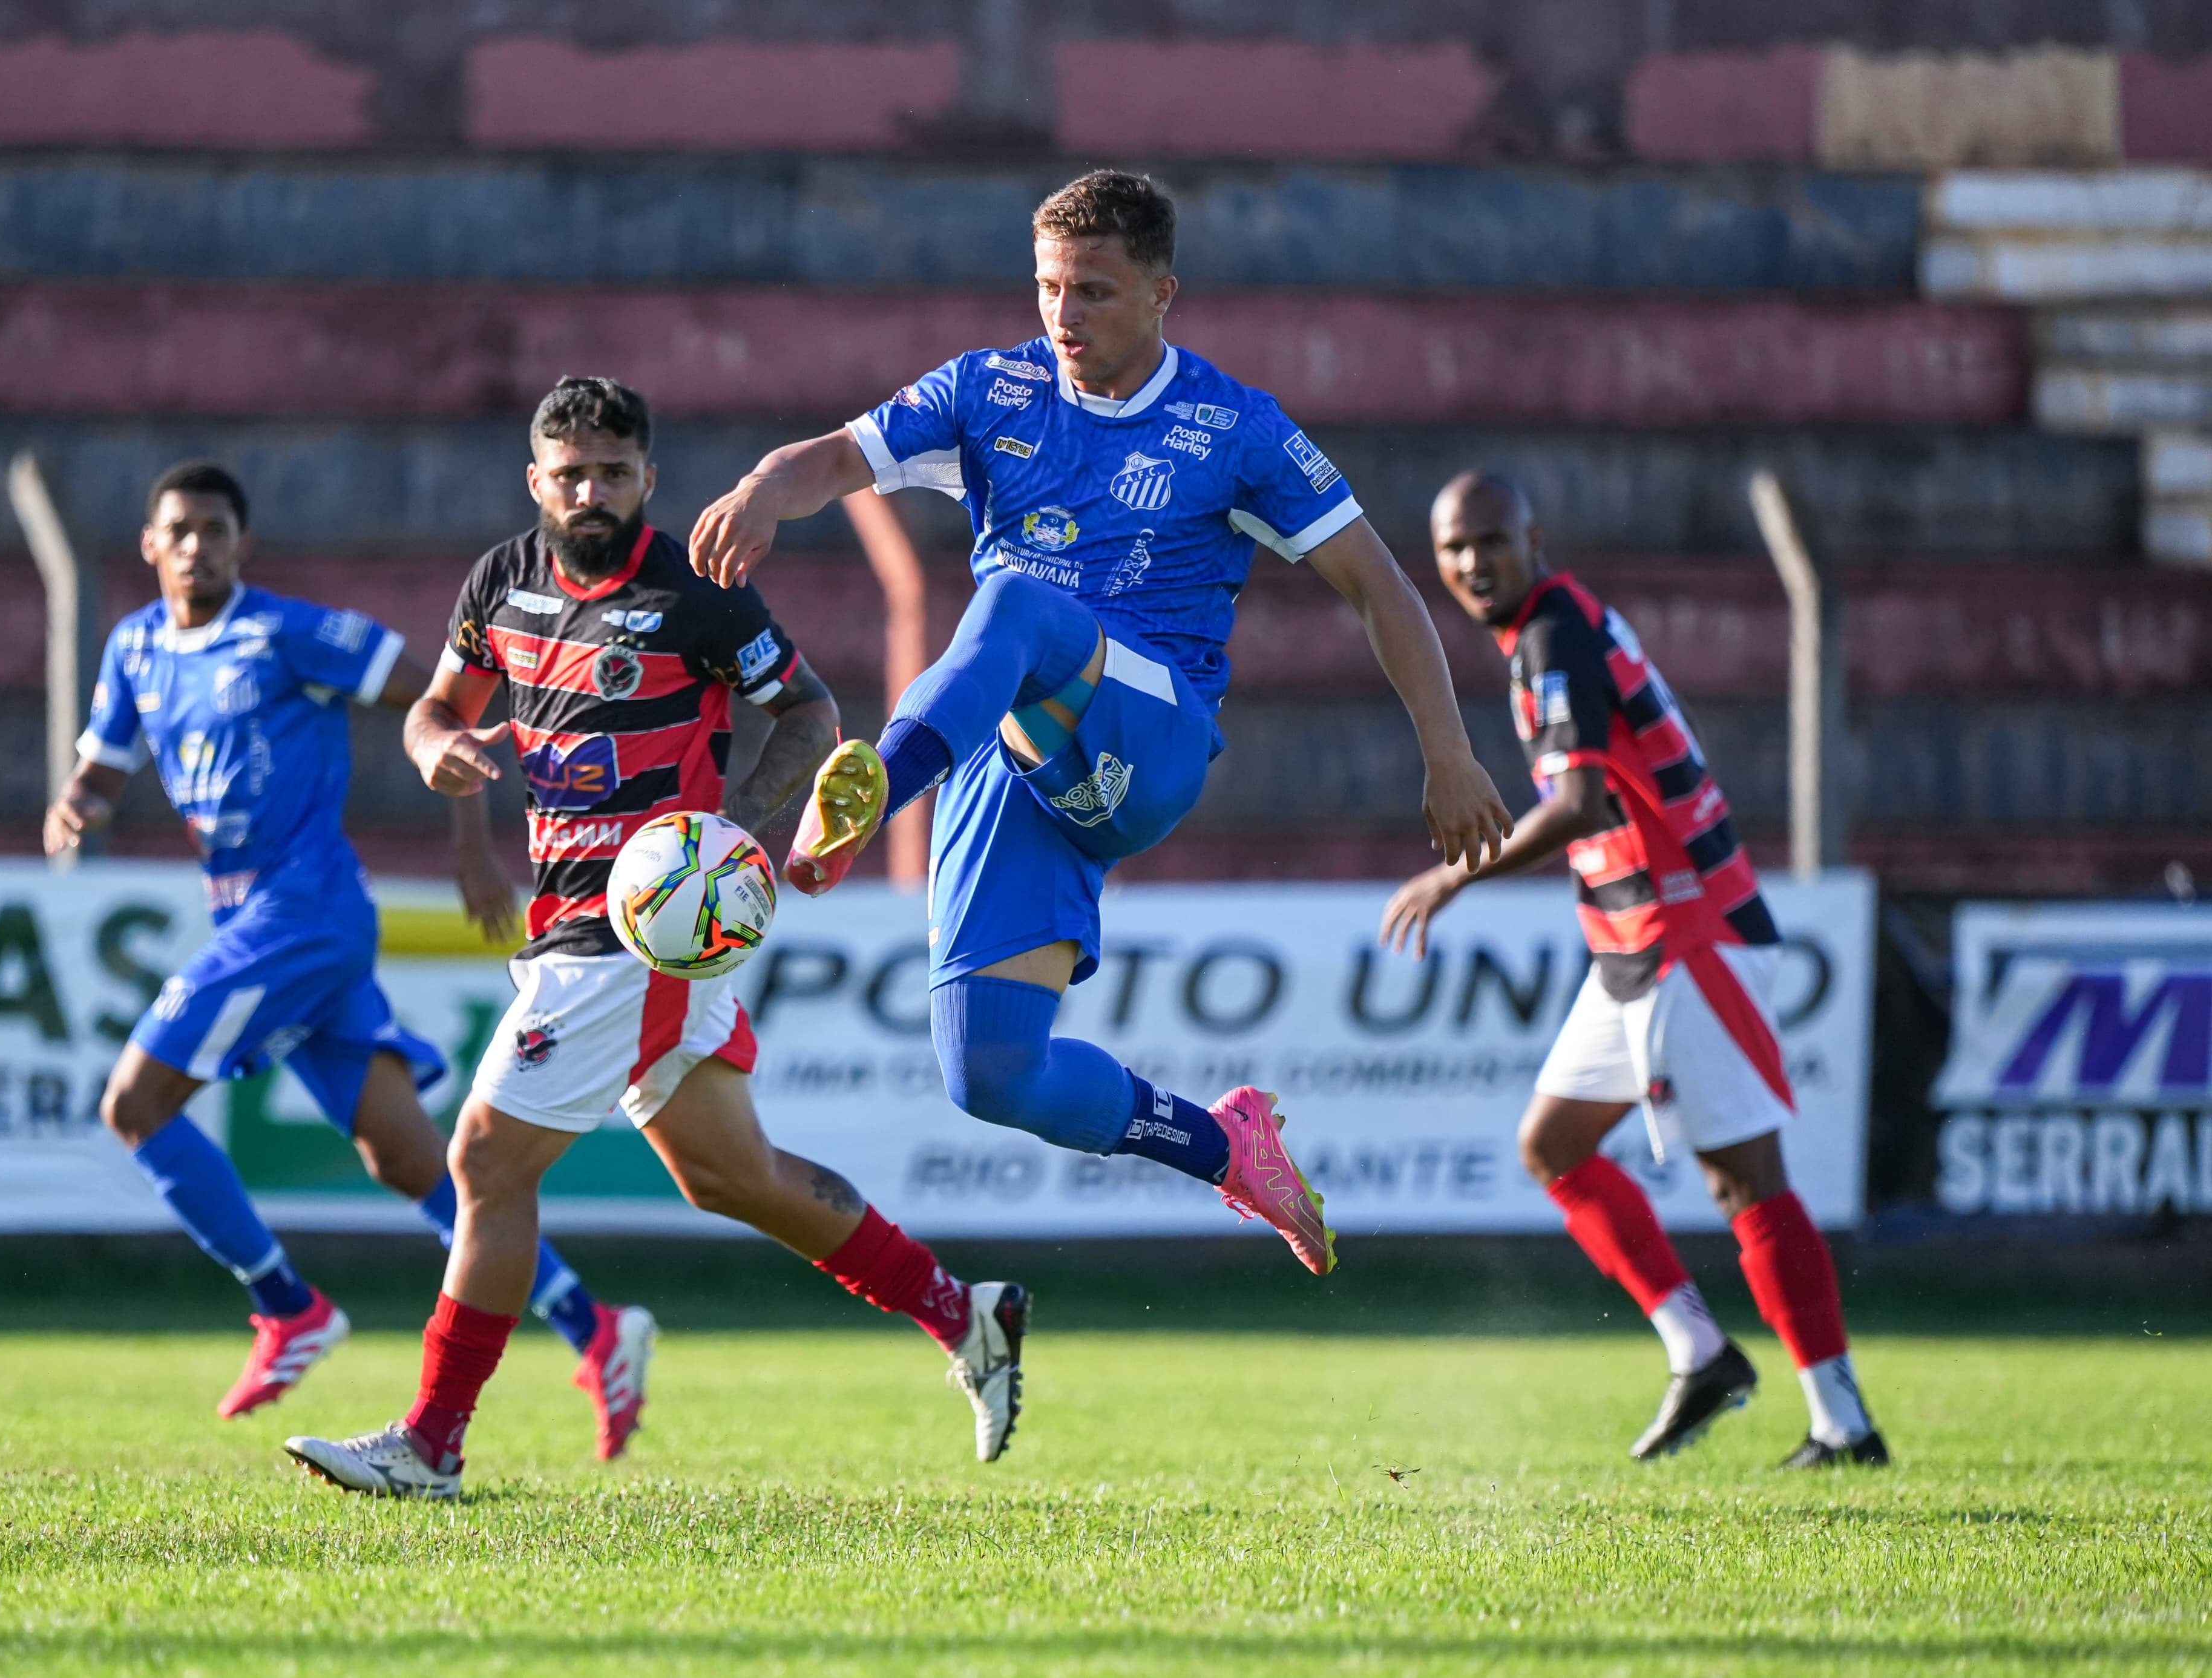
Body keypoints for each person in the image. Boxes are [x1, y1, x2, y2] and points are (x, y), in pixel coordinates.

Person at [686, 171, 1513, 1275]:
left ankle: (877, 783)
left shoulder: (1236, 429)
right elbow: (835, 458)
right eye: (1047, 289)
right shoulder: (992, 391)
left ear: (1164, 293)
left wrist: (1448, 753)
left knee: (1018, 601)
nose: (1063, 317)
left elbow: (1378, 585)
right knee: (991, 1071)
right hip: (1016, 754)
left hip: (1151, 735)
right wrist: (757, 489)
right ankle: (1227, 1147)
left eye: (1095, 293)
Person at [283, 378, 1029, 1501]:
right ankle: (961, 1311)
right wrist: (435, 743)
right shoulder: (501, 582)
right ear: (536, 480)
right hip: (568, 925)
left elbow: (812, 713)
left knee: (483, 1158)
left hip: (633, 939)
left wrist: (732, 841)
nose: (592, 492)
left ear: (649, 477)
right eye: (570, 474)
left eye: (614, 473)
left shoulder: (699, 594)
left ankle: (432, 1442)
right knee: (733, 1177)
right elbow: (436, 706)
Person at [45, 460, 654, 1457]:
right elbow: (104, 765)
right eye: (179, 529)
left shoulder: (288, 633)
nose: (197, 544)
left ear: (243, 545)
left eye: (215, 528)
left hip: (305, 909)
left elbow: (441, 703)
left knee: (134, 1104)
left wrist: (472, 846)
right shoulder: (135, 647)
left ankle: (287, 1305)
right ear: (151, 545)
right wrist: (78, 801)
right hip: (256, 916)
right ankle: (596, 1326)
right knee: (408, 1158)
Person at [1380, 470, 1889, 1468]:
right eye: (1454, 547)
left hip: (1689, 931)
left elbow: (1578, 804)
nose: (1474, 560)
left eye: (1491, 538)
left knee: (1744, 1180)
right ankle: (1702, 1353)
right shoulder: (1544, 631)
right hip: (1632, 940)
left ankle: (1844, 1423)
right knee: (1555, 1147)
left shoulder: (1554, 633)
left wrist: (1457, 874)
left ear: (1535, 537)